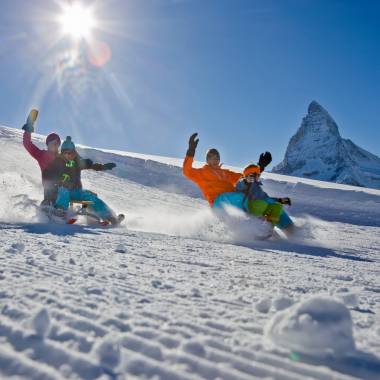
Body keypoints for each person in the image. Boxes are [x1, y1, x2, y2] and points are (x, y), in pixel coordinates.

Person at [44, 136, 122, 225]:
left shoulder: (77, 162)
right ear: (63, 153)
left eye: (72, 153)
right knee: (63, 191)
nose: (70, 155)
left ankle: (109, 216)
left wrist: (102, 167)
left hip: (76, 191)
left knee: (91, 196)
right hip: (62, 190)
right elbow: (49, 173)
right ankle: (60, 212)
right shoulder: (57, 162)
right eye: (67, 153)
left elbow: (89, 165)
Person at [182, 133, 272, 207]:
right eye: (212, 158)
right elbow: (187, 171)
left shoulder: (225, 173)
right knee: (241, 197)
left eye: (217, 158)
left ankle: (273, 223)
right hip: (217, 201)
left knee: (253, 196)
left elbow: (245, 177)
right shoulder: (202, 172)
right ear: (207, 160)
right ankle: (250, 220)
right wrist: (191, 151)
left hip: (231, 198)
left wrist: (260, 167)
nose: (215, 160)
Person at [235, 164, 294, 235]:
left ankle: (268, 229)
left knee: (277, 206)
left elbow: (265, 198)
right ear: (252, 174)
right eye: (258, 175)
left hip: (259, 208)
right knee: (261, 203)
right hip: (249, 210)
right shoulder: (242, 182)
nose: (259, 177)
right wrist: (246, 181)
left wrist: (280, 200)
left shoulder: (256, 186)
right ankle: (256, 228)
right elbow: (239, 187)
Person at [22, 121, 62, 204]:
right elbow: (27, 144)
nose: (55, 145)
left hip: (62, 190)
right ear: (48, 144)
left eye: (57, 143)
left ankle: (64, 211)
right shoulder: (41, 155)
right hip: (49, 188)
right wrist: (28, 130)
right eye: (52, 143)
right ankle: (47, 206)